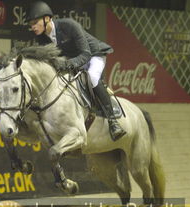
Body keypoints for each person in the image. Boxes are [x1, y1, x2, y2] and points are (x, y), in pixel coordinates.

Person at [26, 1, 126, 141]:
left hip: (93, 55)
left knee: (92, 77)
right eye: (30, 25)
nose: (33, 27)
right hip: (74, 60)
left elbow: (85, 55)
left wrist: (66, 63)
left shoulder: (69, 25)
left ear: (47, 18)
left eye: (35, 22)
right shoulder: (41, 38)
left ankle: (112, 122)